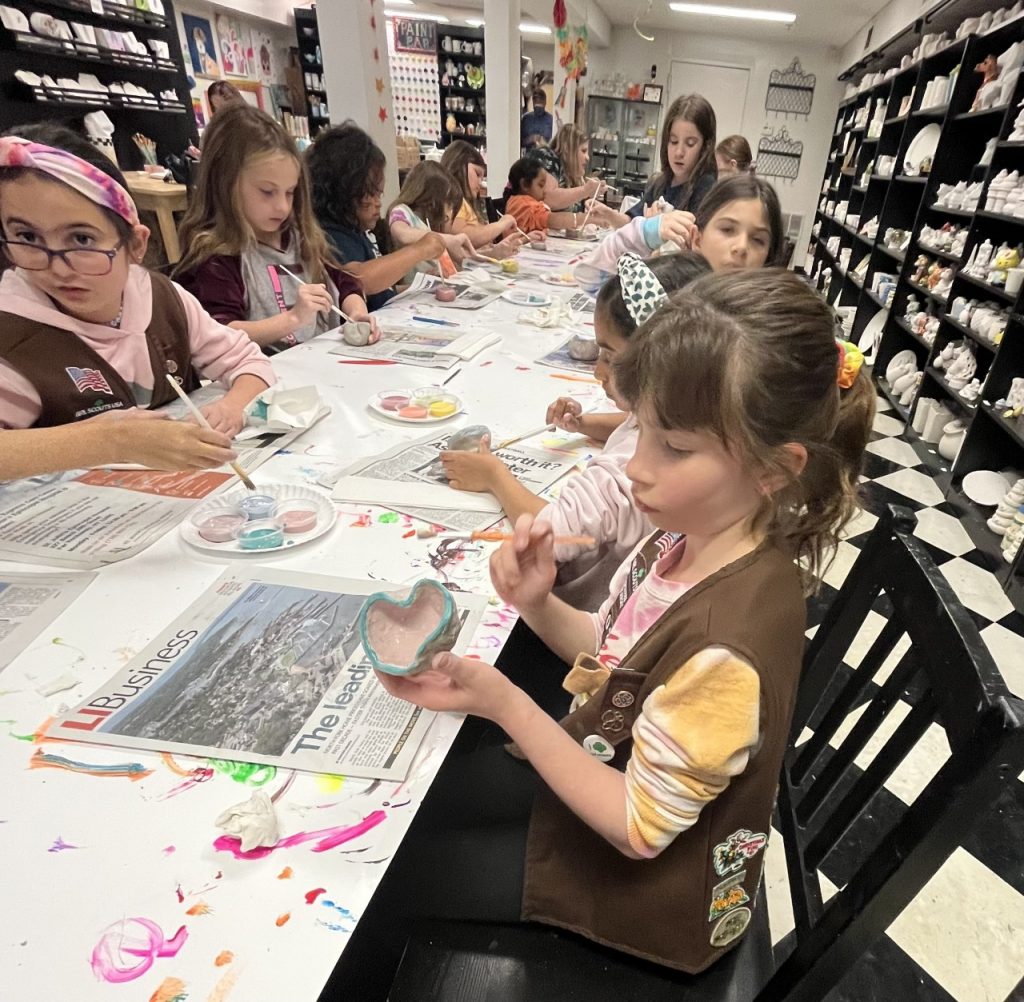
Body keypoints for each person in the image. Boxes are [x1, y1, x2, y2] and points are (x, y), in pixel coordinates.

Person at [329, 269, 875, 998]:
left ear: (777, 470)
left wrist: (505, 703)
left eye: (674, 447)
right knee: (414, 804)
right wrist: (538, 604)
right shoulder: (687, 537)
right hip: (609, 777)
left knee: (378, 885)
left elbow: (639, 827)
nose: (639, 469)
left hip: (655, 898)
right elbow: (616, 652)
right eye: (639, 430)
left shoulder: (727, 648)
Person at [442, 252, 711, 611]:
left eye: (610, 358)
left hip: (575, 613)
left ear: (660, 364)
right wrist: (585, 425)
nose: (597, 372)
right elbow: (630, 425)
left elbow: (551, 535)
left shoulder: (631, 470)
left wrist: (494, 476)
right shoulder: (681, 419)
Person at [0, 131, 273, 480]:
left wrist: (231, 407)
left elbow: (247, 360)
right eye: (27, 237)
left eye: (81, 239)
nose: (57, 266)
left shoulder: (161, 299)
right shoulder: (15, 337)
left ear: (135, 244)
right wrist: (112, 440)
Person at [174, 104, 373, 353]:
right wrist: (292, 319)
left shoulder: (298, 238)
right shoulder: (216, 258)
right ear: (226, 186)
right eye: (267, 192)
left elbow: (344, 282)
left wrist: (357, 313)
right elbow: (217, 332)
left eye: (290, 192)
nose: (282, 207)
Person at [307, 121, 446, 311]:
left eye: (379, 194)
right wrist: (420, 249)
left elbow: (381, 292)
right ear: (344, 191)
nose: (379, 202)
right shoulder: (330, 235)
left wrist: (421, 287)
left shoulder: (358, 233)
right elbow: (358, 279)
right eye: (371, 194)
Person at [576, 173, 784, 289]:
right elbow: (591, 278)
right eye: (728, 229)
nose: (741, 247)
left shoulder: (762, 328)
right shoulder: (671, 293)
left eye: (758, 240)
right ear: (697, 239)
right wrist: (644, 233)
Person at [589, 94, 718, 228]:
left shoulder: (706, 188)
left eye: (690, 143)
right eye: (673, 141)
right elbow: (631, 222)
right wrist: (608, 214)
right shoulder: (661, 183)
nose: (679, 152)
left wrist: (654, 228)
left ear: (705, 146)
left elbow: (692, 244)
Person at [387, 160, 484, 281]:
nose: (449, 212)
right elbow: (402, 234)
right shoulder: (402, 211)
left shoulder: (431, 225)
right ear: (432, 199)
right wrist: (445, 239)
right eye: (448, 202)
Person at [439, 140, 525, 257]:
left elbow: (477, 248)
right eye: (477, 174)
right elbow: (463, 237)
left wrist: (519, 240)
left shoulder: (466, 203)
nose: (481, 183)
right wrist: (501, 225)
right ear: (459, 167)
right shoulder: (453, 200)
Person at [527, 124, 602, 212]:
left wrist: (589, 198)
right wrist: (586, 190)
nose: (587, 157)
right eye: (583, 151)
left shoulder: (572, 176)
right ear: (567, 148)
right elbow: (548, 199)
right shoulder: (546, 156)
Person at [505, 157, 585, 236]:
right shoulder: (523, 204)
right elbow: (553, 220)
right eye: (541, 185)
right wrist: (586, 218)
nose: (545, 190)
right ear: (525, 184)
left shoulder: (519, 201)